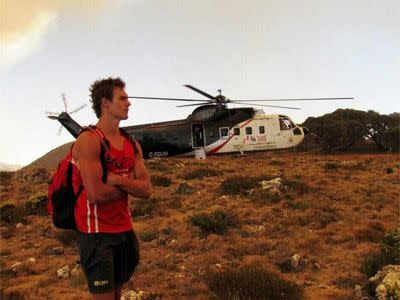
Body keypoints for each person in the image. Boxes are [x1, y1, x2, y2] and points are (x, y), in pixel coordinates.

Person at [72, 77, 152, 300]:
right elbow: (96, 194)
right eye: (123, 98)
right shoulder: (89, 140)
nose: (129, 103)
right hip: (97, 235)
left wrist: (118, 181)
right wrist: (131, 186)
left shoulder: (131, 144)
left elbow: (146, 190)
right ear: (105, 103)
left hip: (125, 231)